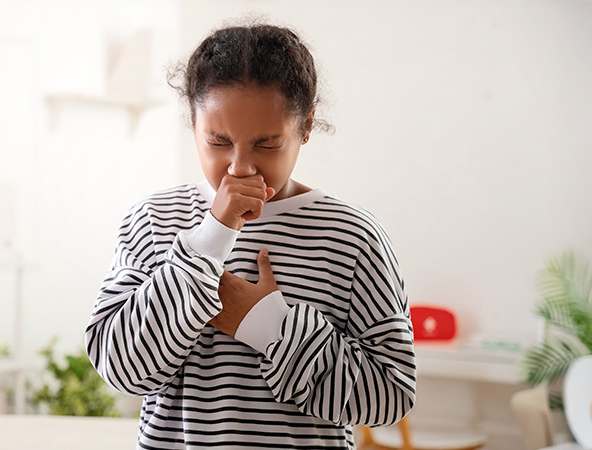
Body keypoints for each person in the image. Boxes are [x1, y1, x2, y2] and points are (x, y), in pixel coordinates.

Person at [85, 22, 415, 449]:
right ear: (193, 123)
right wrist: (210, 239)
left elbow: (391, 394)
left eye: (267, 144)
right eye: (218, 141)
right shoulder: (154, 220)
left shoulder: (354, 237)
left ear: (306, 126)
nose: (240, 167)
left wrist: (268, 326)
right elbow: (121, 367)